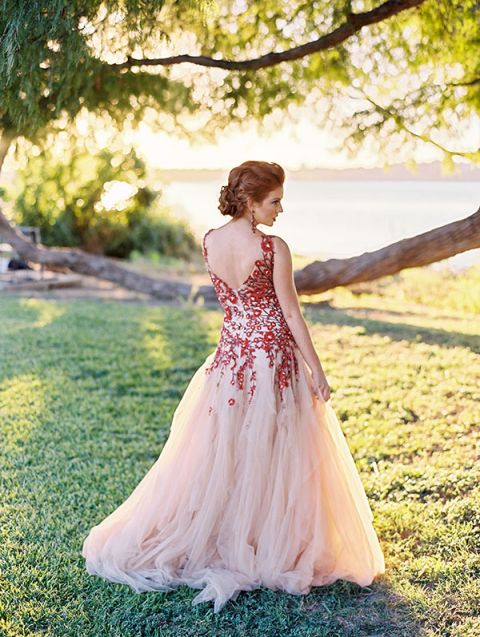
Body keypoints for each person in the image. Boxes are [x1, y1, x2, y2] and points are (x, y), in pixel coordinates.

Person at [82, 160, 385, 613]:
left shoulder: (209, 241)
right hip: (270, 361)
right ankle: (262, 539)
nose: (281, 210)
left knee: (230, 449)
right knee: (271, 450)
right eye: (275, 201)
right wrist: (316, 369)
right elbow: (290, 315)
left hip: (230, 360)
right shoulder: (273, 248)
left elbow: (233, 304)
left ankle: (239, 531)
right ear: (249, 202)